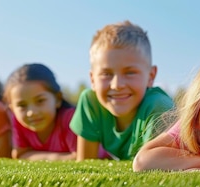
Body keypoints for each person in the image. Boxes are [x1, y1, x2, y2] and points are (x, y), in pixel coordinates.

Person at [70, 20, 175, 160]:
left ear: (151, 76)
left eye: (130, 72)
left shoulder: (158, 108)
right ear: (93, 79)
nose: (117, 85)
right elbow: (84, 164)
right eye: (106, 74)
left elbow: (156, 168)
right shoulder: (91, 103)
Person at [3, 63, 79, 160]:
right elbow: (19, 155)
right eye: (22, 105)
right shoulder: (18, 121)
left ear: (57, 99)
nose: (31, 112)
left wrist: (33, 156)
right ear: (12, 109)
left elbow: (79, 158)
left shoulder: (70, 119)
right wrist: (58, 158)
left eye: (40, 101)